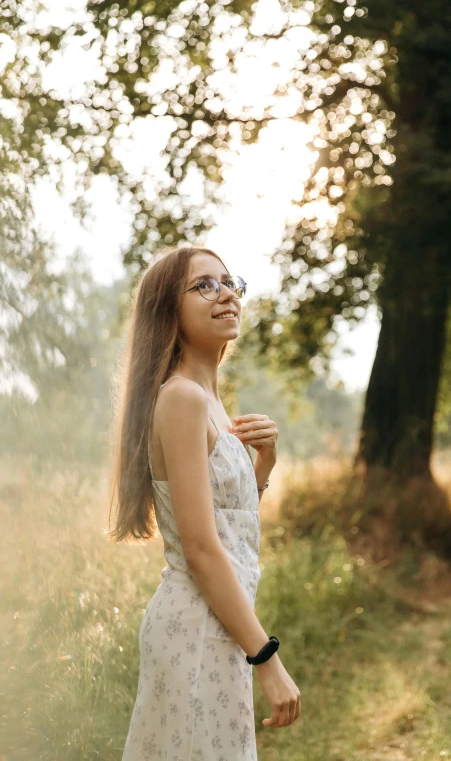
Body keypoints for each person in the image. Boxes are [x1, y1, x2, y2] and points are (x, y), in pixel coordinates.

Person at [108, 245, 301, 760]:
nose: (227, 294)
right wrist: (267, 658)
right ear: (168, 310)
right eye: (205, 285)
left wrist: (264, 464)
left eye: (230, 282)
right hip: (195, 627)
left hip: (220, 624)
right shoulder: (182, 399)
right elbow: (199, 548)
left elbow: (229, 527)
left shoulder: (209, 401)